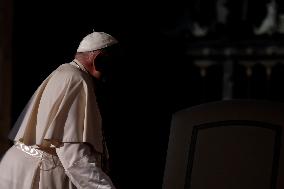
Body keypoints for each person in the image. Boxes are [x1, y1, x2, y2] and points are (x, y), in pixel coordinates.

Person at [0, 31, 119, 189]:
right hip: (37, 174)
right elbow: (75, 158)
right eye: (114, 63)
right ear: (98, 60)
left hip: (16, 167)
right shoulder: (78, 81)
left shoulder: (64, 72)